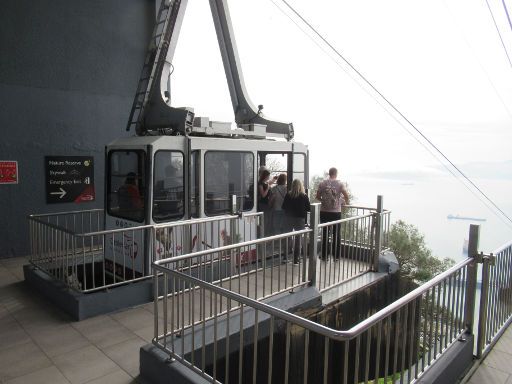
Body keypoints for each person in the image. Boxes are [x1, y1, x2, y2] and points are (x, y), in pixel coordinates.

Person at [315, 167, 349, 259]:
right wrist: (345, 203)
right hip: (336, 212)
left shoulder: (322, 183)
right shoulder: (340, 183)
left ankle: (324, 255)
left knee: (325, 233)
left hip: (324, 212)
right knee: (336, 234)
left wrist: (324, 201)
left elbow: (317, 196)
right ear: (336, 174)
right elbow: (346, 195)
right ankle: (336, 256)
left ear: (329, 173)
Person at [282, 179, 311, 263]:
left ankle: (285, 258)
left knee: (287, 238)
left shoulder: (288, 195)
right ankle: (296, 259)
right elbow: (308, 208)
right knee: (298, 239)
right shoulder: (304, 196)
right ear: (301, 186)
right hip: (300, 219)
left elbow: (283, 207)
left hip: (288, 218)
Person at [257, 169, 275, 235]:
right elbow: (263, 195)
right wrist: (267, 188)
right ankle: (263, 235)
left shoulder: (265, 183)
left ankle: (265, 234)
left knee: (267, 221)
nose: (269, 177)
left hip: (266, 204)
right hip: (263, 204)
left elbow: (269, 183)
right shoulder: (260, 184)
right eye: (268, 176)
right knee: (264, 221)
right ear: (265, 176)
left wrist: (274, 179)